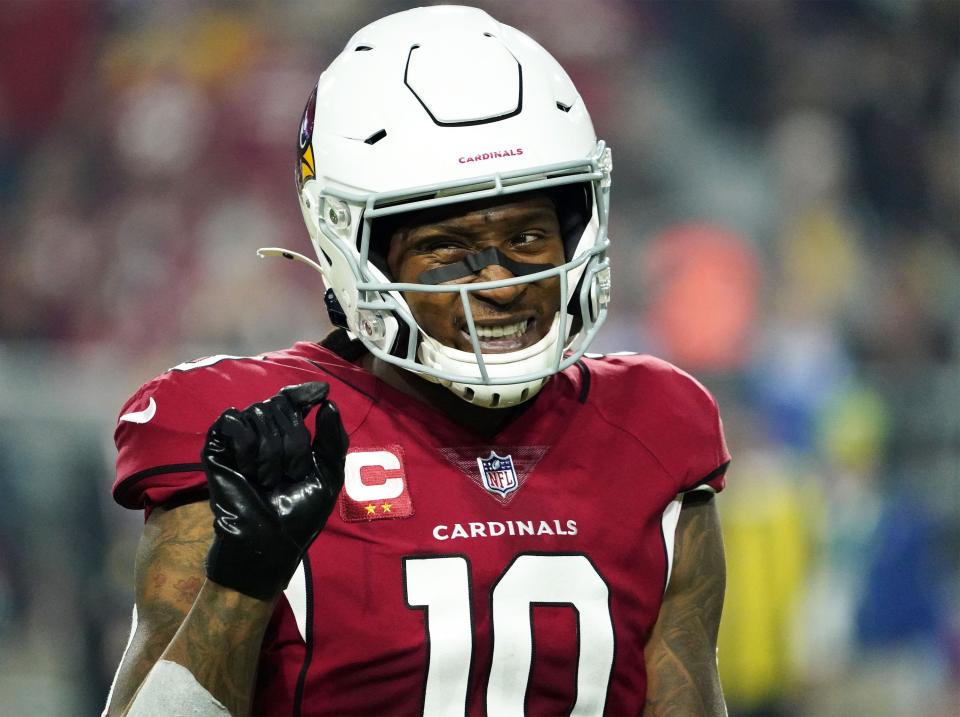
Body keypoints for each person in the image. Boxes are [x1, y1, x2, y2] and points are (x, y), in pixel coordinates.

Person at [104, 6, 730, 716]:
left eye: (528, 235)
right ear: (353, 248)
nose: (499, 283)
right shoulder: (261, 436)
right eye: (447, 247)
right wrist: (241, 580)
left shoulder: (653, 428)